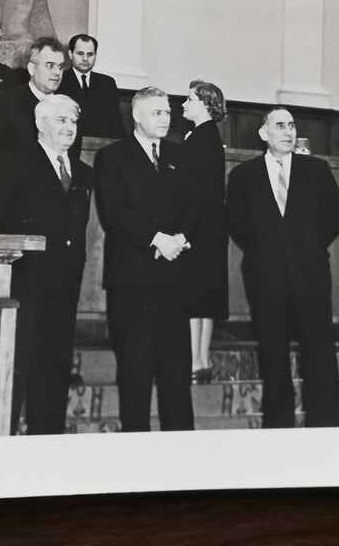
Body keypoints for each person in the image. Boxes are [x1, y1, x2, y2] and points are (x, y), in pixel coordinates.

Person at [226, 107, 339, 428]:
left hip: (311, 274)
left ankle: (326, 425)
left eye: (292, 126)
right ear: (264, 133)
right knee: (273, 351)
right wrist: (264, 249)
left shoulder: (316, 169)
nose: (288, 132)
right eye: (279, 126)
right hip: (264, 277)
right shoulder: (243, 175)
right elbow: (236, 223)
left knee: (319, 351)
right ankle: (278, 426)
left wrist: (309, 245)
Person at [0, 94, 92, 434]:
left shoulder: (82, 172)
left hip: (65, 283)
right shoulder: (14, 162)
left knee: (56, 363)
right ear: (40, 123)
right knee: (17, 363)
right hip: (24, 281)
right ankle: (4, 438)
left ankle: (47, 439)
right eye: (61, 120)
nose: (69, 128)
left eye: (73, 122)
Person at [94, 87, 193, 432]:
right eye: (157, 113)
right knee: (135, 371)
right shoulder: (112, 157)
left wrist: (180, 238)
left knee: (177, 373)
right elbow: (114, 212)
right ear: (137, 116)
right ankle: (135, 451)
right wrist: (156, 239)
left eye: (167, 113)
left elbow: (192, 207)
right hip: (132, 280)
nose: (165, 119)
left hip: (174, 278)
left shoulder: (179, 155)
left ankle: (181, 455)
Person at [180, 80, 229, 384]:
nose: (184, 104)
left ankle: (195, 359)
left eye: (189, 99)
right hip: (209, 226)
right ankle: (200, 359)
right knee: (203, 296)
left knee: (193, 294)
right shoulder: (207, 136)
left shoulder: (200, 138)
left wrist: (183, 231)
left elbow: (192, 190)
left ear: (205, 104)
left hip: (197, 226)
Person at [0, 36, 66, 154]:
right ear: (31, 69)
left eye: (60, 67)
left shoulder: (66, 106)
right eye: (50, 65)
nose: (57, 72)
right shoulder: (5, 104)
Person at [57, 34, 125, 140]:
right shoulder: (59, 80)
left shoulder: (107, 83)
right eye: (80, 54)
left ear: (95, 55)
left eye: (90, 54)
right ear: (70, 54)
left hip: (101, 147)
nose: (85, 59)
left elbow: (116, 124)